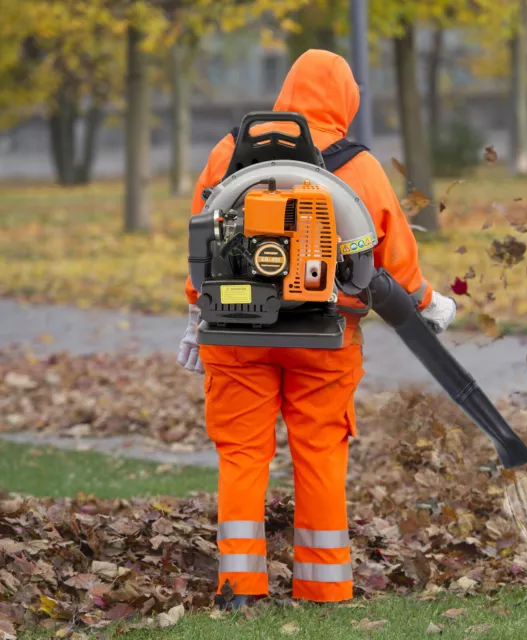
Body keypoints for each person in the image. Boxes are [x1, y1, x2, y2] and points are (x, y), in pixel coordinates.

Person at [177, 49, 456, 607]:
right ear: (347, 99)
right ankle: (325, 590)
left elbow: (201, 245)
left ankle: (238, 588)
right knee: (321, 454)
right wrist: (428, 303)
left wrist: (194, 316)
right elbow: (390, 257)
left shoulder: (230, 151)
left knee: (241, 455)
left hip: (234, 332)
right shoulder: (358, 166)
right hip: (323, 337)